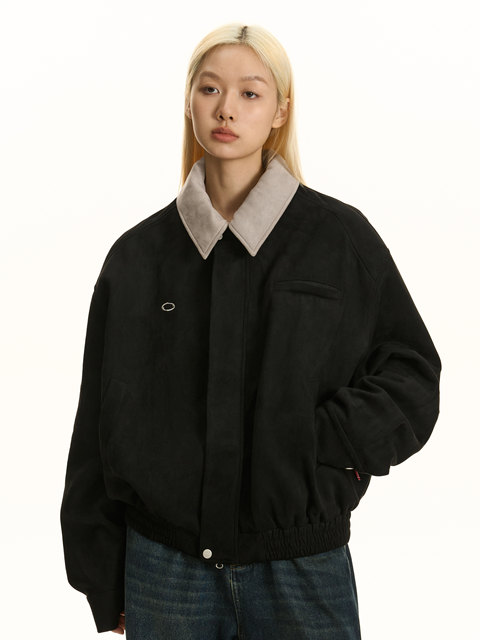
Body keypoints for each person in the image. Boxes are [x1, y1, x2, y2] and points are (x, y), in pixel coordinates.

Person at [60, 22, 442, 639]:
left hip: (302, 568)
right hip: (165, 571)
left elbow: (412, 374)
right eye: (210, 89)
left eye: (250, 93)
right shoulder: (137, 258)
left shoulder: (338, 240)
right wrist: (102, 575)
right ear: (189, 103)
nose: (227, 109)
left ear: (280, 111)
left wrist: (323, 443)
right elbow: (95, 428)